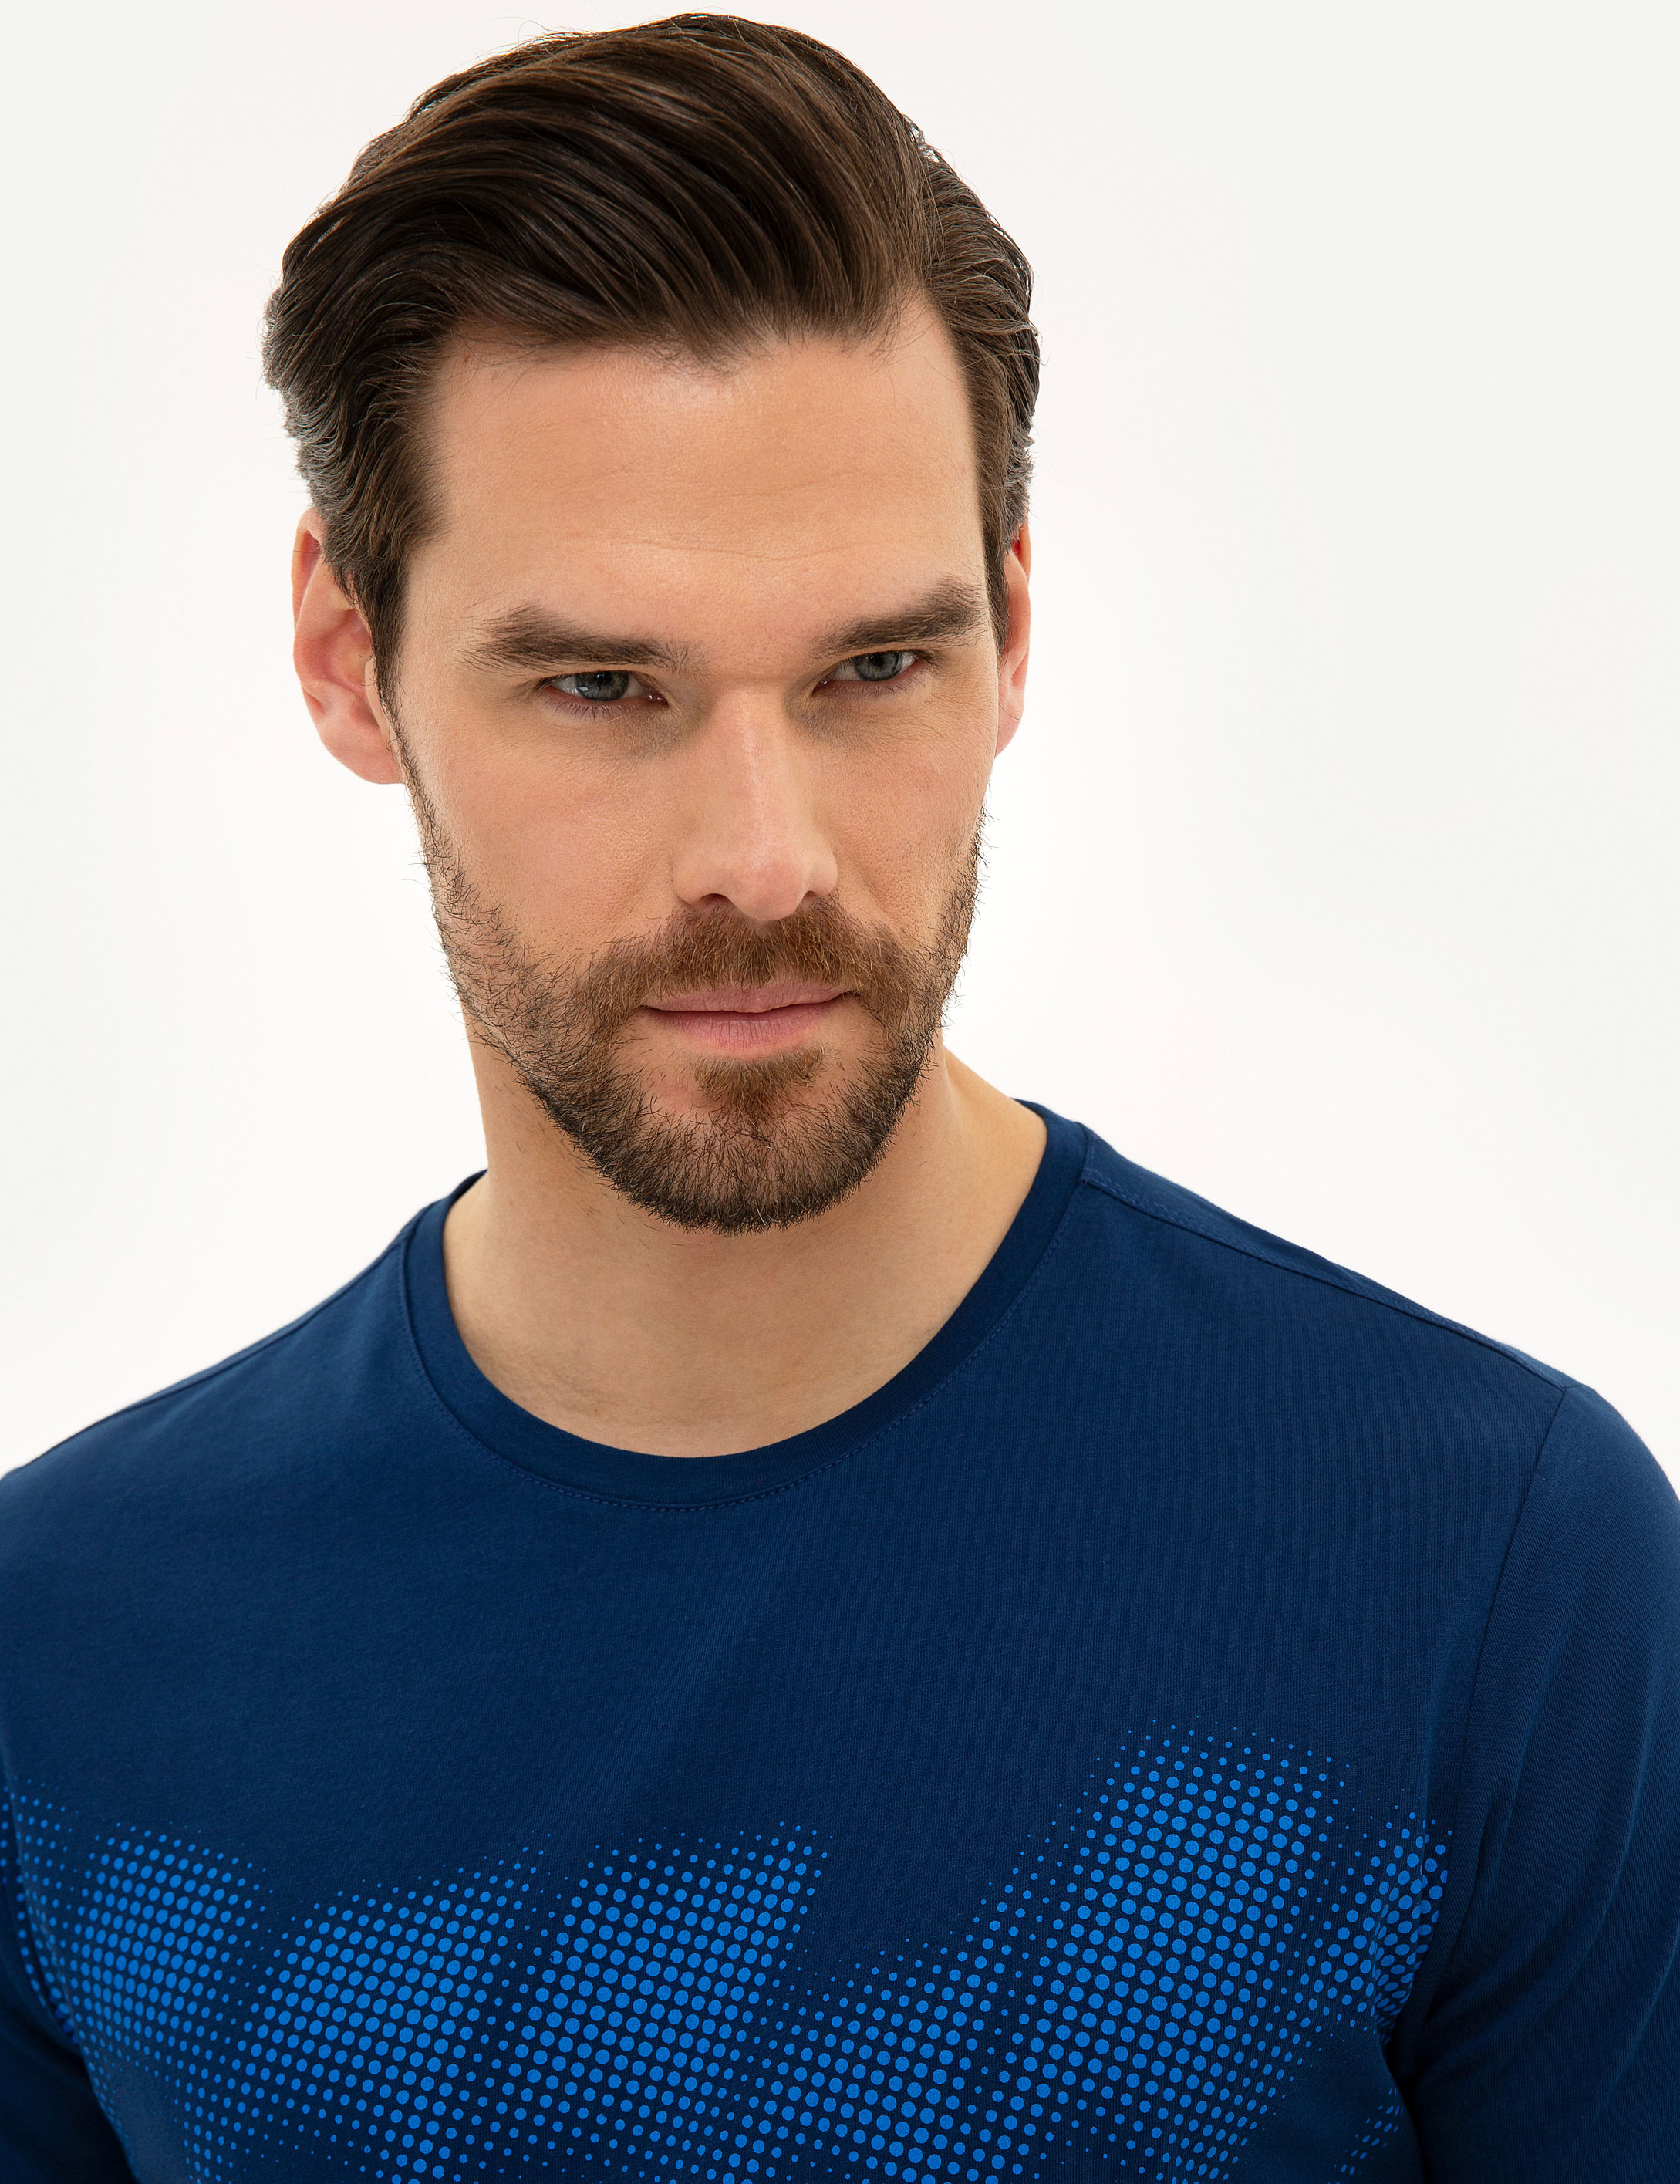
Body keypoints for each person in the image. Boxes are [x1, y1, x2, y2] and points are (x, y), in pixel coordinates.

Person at [2, 15, 1675, 2181]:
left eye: (874, 669)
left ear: (1012, 630)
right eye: (601, 686)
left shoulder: (1490, 1574)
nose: (764, 859)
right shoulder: (65, 1658)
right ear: (350, 661)